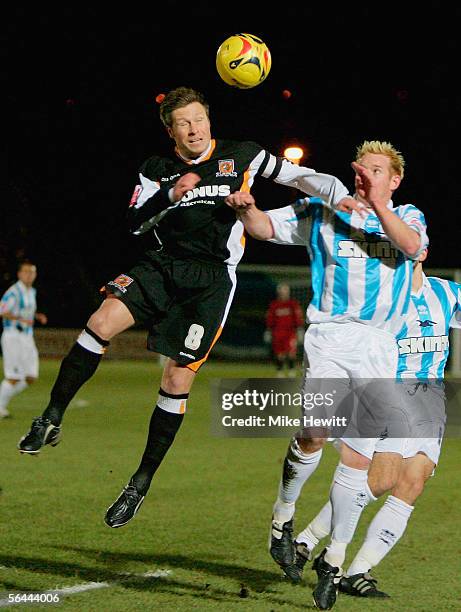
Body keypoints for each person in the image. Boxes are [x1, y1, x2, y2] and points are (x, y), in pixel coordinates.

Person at [17, 86, 359, 529]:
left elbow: (300, 178)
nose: (194, 129)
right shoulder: (155, 169)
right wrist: (170, 194)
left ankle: (140, 481)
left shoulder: (243, 155)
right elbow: (135, 223)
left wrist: (338, 196)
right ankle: (51, 416)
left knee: (177, 376)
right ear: (171, 132)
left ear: (209, 121)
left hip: (211, 280)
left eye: (199, 119)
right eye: (183, 123)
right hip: (161, 265)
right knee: (100, 320)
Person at [226, 140, 429, 609]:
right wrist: (246, 209)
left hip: (379, 345)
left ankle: (333, 560)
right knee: (315, 434)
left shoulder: (409, 216)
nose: (368, 175)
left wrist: (378, 206)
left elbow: (412, 246)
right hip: (331, 336)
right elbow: (263, 228)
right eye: (364, 169)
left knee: (357, 459)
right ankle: (283, 516)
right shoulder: (320, 209)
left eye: (379, 171)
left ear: (394, 180)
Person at [294, 249, 461, 598]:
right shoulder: (380, 297)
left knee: (413, 482)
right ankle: (308, 541)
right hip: (387, 391)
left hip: (430, 398)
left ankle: (356, 571)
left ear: (424, 248)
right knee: (380, 478)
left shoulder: (446, 292)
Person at [0, 261, 47, 419]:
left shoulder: (30, 291)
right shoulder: (13, 292)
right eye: (26, 272)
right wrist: (20, 319)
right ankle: (0, 406)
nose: (29, 275)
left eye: (32, 272)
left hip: (27, 337)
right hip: (13, 336)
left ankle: (1, 403)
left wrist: (36, 316)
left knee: (30, 376)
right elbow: (3, 311)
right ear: (19, 274)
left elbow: (26, 311)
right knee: (13, 377)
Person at [265, 283, 303, 377]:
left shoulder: (293, 304)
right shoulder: (274, 305)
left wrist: (299, 329)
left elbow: (298, 317)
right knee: (279, 354)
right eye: (282, 291)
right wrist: (268, 330)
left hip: (290, 333)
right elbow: (270, 318)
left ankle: (291, 371)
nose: (283, 293)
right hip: (277, 333)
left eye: (285, 291)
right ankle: (280, 372)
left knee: (291, 353)